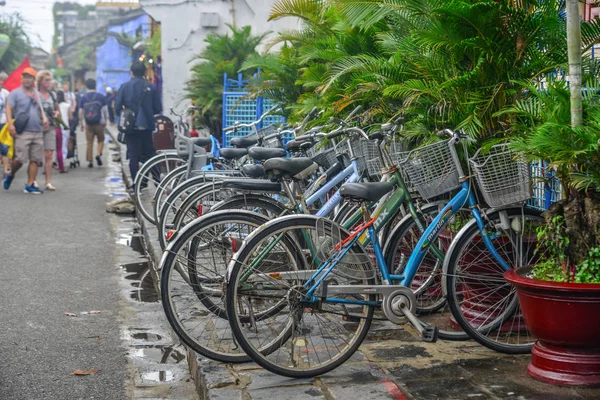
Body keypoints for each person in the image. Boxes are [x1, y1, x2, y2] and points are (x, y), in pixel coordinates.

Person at [3, 67, 49, 194]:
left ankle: (29, 185)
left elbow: (41, 110)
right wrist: (10, 125)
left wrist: (44, 118)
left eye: (30, 77)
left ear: (34, 80)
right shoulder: (15, 93)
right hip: (23, 131)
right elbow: (9, 108)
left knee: (35, 159)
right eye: (25, 77)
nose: (27, 79)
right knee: (19, 159)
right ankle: (11, 174)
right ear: (22, 78)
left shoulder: (37, 94)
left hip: (37, 131)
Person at [115, 62, 162, 181]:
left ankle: (137, 184)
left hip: (130, 127)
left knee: (133, 156)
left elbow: (117, 107)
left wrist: (126, 116)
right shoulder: (152, 87)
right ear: (145, 73)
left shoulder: (124, 87)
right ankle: (157, 182)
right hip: (147, 125)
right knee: (150, 154)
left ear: (131, 73)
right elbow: (158, 108)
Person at [79, 78, 107, 168]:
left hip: (88, 123)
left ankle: (90, 161)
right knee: (101, 140)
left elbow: (80, 111)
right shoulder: (100, 96)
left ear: (86, 86)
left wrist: (81, 123)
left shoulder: (83, 98)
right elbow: (104, 110)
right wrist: (105, 120)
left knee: (89, 142)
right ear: (95, 85)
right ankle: (98, 154)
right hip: (98, 122)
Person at [37, 70, 58, 191]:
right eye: (46, 80)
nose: (49, 82)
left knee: (49, 154)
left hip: (50, 126)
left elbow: (56, 108)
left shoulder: (53, 95)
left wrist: (56, 113)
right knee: (36, 155)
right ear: (40, 81)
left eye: (50, 80)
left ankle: (48, 182)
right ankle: (33, 180)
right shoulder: (35, 94)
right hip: (37, 127)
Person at [56, 90, 69, 173]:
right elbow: (71, 117)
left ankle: (57, 163)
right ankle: (62, 163)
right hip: (65, 127)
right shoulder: (67, 105)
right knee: (63, 147)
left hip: (56, 127)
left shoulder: (54, 105)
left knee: (56, 147)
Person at [0, 71, 10, 178]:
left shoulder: (6, 93)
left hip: (3, 122)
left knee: (4, 147)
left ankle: (6, 170)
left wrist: (8, 121)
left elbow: (8, 108)